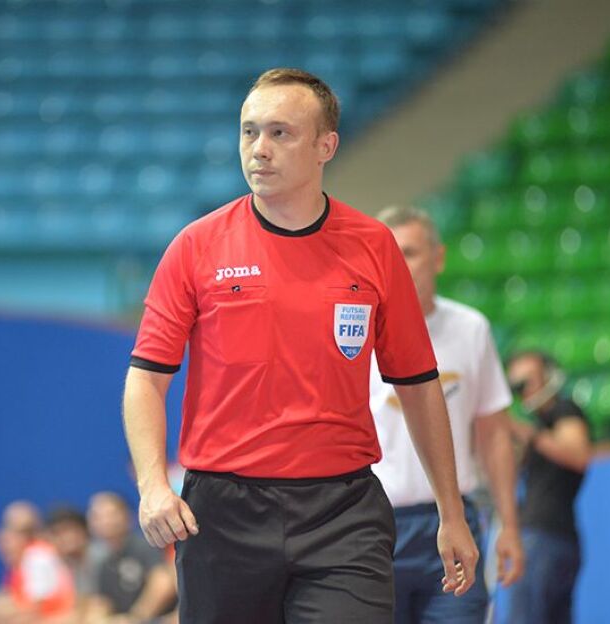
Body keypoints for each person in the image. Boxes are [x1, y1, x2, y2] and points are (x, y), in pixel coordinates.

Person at [122, 67, 479, 624]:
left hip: (343, 514)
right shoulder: (195, 246)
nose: (258, 149)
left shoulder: (373, 246)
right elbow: (146, 377)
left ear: (325, 146)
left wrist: (450, 513)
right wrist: (151, 487)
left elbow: (418, 384)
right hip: (223, 514)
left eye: (280, 133)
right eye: (249, 131)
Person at [369, 206, 525, 623]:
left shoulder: (471, 329)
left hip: (452, 522)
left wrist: (510, 526)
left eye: (410, 253)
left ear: (438, 258)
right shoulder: (357, 332)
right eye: (390, 255)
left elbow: (494, 434)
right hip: (374, 527)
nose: (399, 266)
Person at [503, 351, 591, 624]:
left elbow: (578, 455)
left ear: (550, 377)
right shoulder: (538, 424)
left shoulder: (564, 410)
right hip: (551, 537)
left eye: (528, 380)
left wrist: (527, 433)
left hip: (545, 536)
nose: (523, 390)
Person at [0, 500, 75, 624]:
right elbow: (11, 600)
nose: (5, 541)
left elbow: (34, 611)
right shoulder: (18, 566)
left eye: (20, 532)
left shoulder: (38, 557)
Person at [83, 492, 175, 622]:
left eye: (111, 514)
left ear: (128, 516)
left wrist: (135, 618)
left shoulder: (146, 545)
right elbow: (101, 603)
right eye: (97, 516)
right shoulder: (102, 561)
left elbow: (163, 583)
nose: (105, 521)